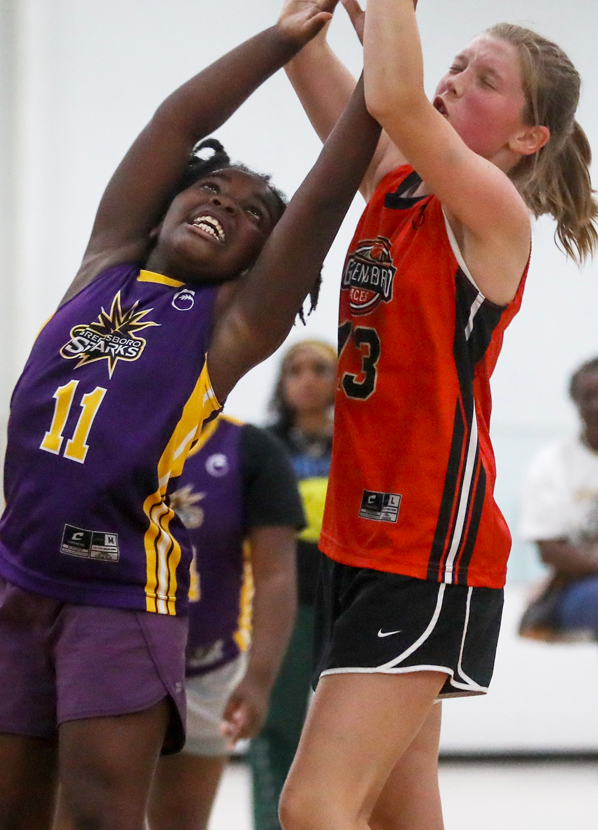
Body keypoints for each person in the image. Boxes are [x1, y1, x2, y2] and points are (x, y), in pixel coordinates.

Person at [0, 0, 382, 830]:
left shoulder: (231, 324)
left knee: (105, 820)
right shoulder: (106, 261)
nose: (226, 206)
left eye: (251, 215)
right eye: (210, 188)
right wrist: (280, 41)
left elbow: (328, 196)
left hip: (121, 594)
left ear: (258, 261)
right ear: (161, 207)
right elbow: (179, 118)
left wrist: (380, 84)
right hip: (12, 581)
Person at [275, 0, 598, 830]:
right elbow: (295, 34)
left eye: (486, 77)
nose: (458, 72)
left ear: (524, 137)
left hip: (431, 539)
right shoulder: (390, 177)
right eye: (455, 58)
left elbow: (399, 100)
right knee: (396, 812)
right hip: (369, 542)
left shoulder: (493, 212)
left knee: (315, 806)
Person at [146, 413, 305, 830]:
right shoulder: (116, 428)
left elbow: (276, 573)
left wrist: (257, 680)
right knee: (98, 812)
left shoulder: (250, 449)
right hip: (118, 658)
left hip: (208, 666)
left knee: (181, 821)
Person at [519, 356, 598, 772]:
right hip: (581, 588)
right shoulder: (552, 463)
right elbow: (550, 550)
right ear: (574, 401)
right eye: (588, 396)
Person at [249, 340, 337, 830]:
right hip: (284, 607)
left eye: (320, 369)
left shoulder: (360, 440)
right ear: (281, 383)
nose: (307, 379)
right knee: (277, 728)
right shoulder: (263, 447)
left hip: (345, 603)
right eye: (295, 370)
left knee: (342, 735)